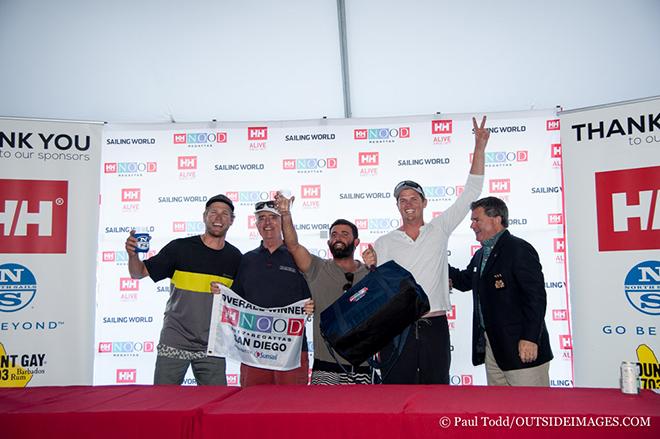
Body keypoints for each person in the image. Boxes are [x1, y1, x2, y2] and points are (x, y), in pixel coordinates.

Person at [362, 116, 490, 384]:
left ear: (424, 202)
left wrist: (479, 147)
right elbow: (379, 293)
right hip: (397, 329)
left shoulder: (439, 229)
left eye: (413, 198)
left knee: (437, 392)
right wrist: (371, 267)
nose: (408, 203)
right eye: (402, 200)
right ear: (397, 206)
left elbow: (471, 192)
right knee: (397, 393)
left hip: (435, 327)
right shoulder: (384, 243)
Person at [125, 194, 242, 385]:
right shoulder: (179, 248)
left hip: (212, 345)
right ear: (204, 216)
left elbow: (240, 303)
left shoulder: (235, 258)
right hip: (174, 339)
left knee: (215, 407)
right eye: (213, 212)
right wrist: (132, 255)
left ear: (232, 220)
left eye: (225, 214)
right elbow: (138, 273)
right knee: (163, 404)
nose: (218, 218)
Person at [448, 197, 553, 386]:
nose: (472, 225)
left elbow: (535, 298)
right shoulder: (481, 254)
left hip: (522, 348)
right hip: (493, 349)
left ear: (496, 218)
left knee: (531, 411)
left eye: (476, 219)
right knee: (501, 411)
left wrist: (529, 338)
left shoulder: (518, 249)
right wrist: (436, 261)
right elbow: (464, 281)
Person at [274, 193, 372, 384]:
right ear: (328, 242)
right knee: (322, 415)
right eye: (334, 234)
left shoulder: (370, 273)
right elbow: (293, 246)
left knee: (360, 415)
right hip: (326, 368)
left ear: (356, 242)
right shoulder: (317, 268)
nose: (338, 238)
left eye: (345, 234)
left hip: (363, 367)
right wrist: (285, 214)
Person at [228, 200, 314, 386]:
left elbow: (314, 294)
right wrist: (221, 294)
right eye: (262, 218)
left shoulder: (297, 256)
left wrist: (311, 304)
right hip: (254, 349)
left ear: (282, 221)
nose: (267, 223)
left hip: (292, 349)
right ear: (256, 225)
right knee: (253, 405)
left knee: (291, 407)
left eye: (273, 218)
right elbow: (235, 301)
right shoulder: (247, 259)